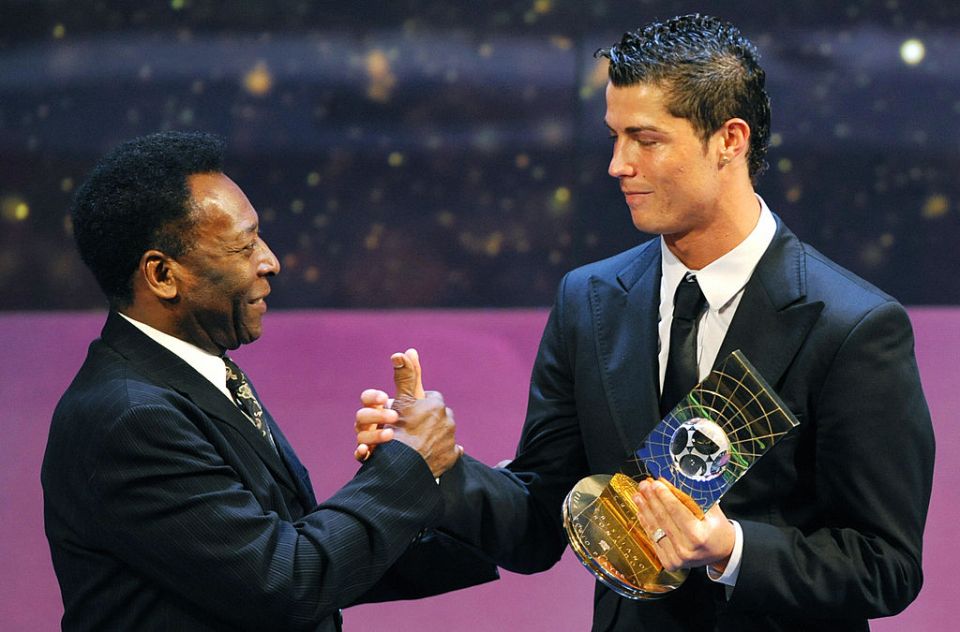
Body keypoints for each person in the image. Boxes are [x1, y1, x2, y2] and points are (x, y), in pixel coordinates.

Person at [356, 14, 935, 631]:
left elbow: (885, 565)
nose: (618, 165)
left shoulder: (853, 326)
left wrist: (730, 549)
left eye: (646, 139)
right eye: (613, 136)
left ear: (730, 141)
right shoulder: (589, 299)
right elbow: (540, 518)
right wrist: (438, 466)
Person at [41, 131, 494, 632]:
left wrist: (456, 489)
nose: (270, 262)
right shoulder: (130, 416)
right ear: (163, 275)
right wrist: (407, 464)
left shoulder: (192, 373)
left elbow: (286, 548)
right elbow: (284, 582)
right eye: (243, 245)